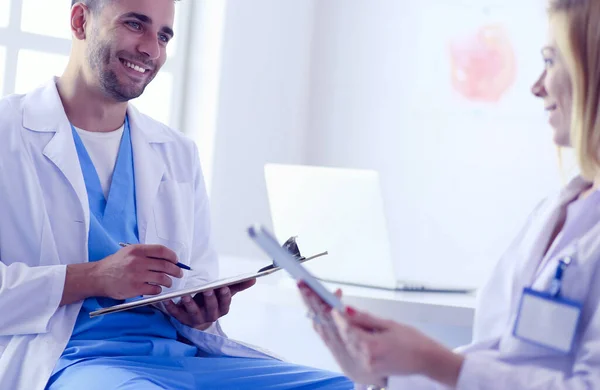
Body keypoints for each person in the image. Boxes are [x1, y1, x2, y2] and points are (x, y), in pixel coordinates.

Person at [0, 0, 353, 389]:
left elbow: (195, 276)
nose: (152, 49)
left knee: (348, 385)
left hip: (179, 356)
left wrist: (200, 312)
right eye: (135, 25)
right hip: (68, 361)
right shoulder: (8, 134)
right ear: (81, 20)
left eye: (164, 36)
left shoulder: (177, 152)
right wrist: (95, 277)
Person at [299, 0, 600, 388]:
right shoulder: (558, 209)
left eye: (550, 61)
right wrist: (378, 372)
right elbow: (494, 356)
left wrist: (431, 359)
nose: (536, 87)